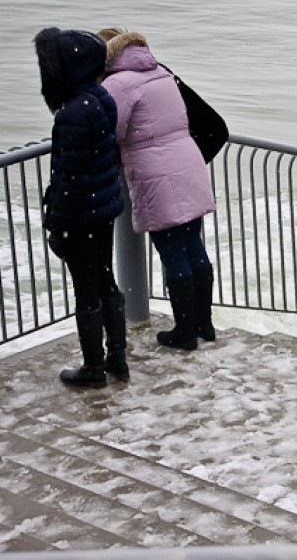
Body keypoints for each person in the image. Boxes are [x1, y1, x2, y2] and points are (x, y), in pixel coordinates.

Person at [97, 28, 217, 351]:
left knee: (173, 252)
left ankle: (184, 331)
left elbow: (113, 129)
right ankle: (204, 324)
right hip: (187, 163)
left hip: (156, 173)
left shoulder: (117, 85)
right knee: (194, 246)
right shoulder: (160, 72)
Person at [34, 27, 128, 386]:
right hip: (102, 209)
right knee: (105, 279)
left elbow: (69, 177)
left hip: (82, 214)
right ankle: (116, 357)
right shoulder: (101, 97)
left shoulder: (73, 112)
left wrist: (57, 221)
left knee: (86, 289)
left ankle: (93, 368)